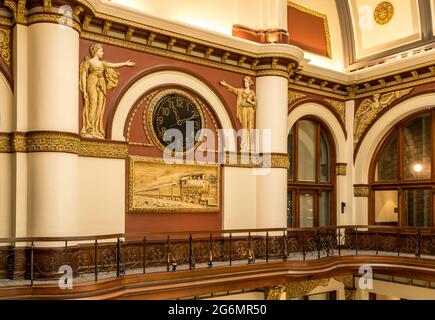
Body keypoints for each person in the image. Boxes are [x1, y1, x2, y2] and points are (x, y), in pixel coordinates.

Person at [80, 44, 135, 139]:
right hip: (92, 81)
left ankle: (96, 129)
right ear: (96, 51)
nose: (102, 53)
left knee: (100, 105)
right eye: (101, 51)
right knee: (93, 103)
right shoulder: (88, 62)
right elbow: (83, 77)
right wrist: (84, 91)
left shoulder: (103, 63)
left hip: (101, 82)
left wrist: (125, 63)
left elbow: (113, 65)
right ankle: (89, 127)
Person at [219, 77, 257, 152]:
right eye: (244, 82)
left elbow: (255, 102)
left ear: (249, 83)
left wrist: (249, 101)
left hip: (250, 110)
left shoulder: (252, 92)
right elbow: (234, 89)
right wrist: (225, 84)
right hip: (244, 109)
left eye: (246, 82)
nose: (245, 83)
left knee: (251, 127)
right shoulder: (241, 91)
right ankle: (244, 145)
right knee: (244, 126)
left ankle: (251, 146)